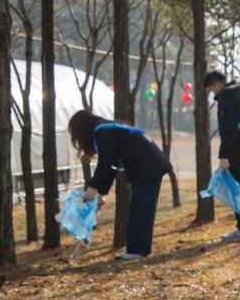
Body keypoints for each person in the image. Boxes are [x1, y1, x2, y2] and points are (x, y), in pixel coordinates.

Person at [67, 110, 172, 260]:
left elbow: (105, 164)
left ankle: (136, 250)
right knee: (141, 208)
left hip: (149, 165)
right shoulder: (108, 128)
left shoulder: (102, 132)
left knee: (140, 209)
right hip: (150, 164)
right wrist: (100, 194)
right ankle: (139, 249)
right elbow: (112, 165)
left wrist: (92, 188)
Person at [204, 71, 240, 242]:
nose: (212, 92)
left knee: (236, 189)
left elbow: (229, 129)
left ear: (216, 84)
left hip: (236, 150)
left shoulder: (227, 97)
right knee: (239, 186)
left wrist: (224, 156)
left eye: (211, 88)